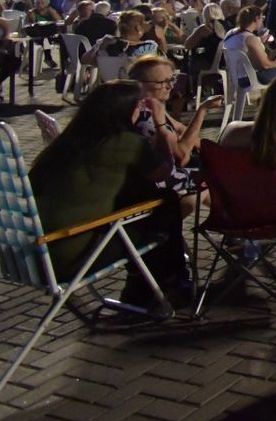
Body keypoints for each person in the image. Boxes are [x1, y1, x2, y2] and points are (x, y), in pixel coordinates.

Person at [28, 80, 190, 309]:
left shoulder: (68, 141)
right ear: (124, 111)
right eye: (138, 108)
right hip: (68, 256)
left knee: (138, 202)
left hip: (31, 254)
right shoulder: (124, 143)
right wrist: (161, 123)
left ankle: (141, 290)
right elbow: (164, 171)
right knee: (165, 206)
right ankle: (172, 285)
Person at [128, 55, 221, 215]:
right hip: (154, 181)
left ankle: (235, 224)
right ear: (140, 85)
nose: (170, 86)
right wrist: (202, 111)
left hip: (157, 175)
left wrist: (215, 151)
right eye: (161, 82)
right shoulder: (146, 117)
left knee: (216, 168)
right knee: (217, 176)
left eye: (172, 79)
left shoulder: (150, 104)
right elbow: (182, 156)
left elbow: (180, 128)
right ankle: (237, 223)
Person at [222, 5, 276, 88]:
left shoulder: (230, 33)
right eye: (262, 17)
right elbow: (265, 65)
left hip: (235, 77)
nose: (262, 21)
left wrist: (262, 43)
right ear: (256, 18)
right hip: (249, 78)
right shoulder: (250, 38)